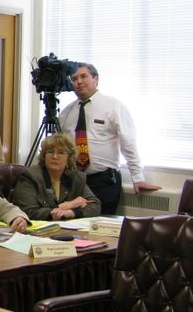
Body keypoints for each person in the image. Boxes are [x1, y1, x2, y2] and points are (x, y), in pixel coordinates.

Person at [58, 63, 160, 215]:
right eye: (74, 78)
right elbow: (59, 147)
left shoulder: (113, 106)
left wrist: (137, 177)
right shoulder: (66, 112)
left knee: (99, 227)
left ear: (96, 79)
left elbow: (128, 142)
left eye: (83, 76)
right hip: (74, 181)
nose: (78, 81)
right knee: (73, 226)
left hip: (103, 181)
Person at [12, 133, 101, 220]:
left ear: (69, 157)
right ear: (44, 155)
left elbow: (95, 205)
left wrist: (71, 213)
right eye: (50, 152)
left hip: (66, 229)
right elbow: (28, 211)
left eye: (61, 153)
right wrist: (68, 205)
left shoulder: (75, 177)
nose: (55, 156)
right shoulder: (30, 176)